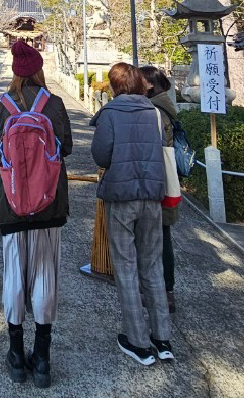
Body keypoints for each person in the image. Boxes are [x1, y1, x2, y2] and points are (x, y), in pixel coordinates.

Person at [0, 39, 72, 388]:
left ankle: (15, 355)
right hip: (49, 204)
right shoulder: (53, 104)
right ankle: (42, 360)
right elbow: (66, 146)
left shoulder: (1, 105)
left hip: (11, 203)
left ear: (14, 72)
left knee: (14, 277)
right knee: (45, 276)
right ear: (38, 68)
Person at [90, 61, 176, 367]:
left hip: (121, 197)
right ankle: (162, 339)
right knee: (152, 265)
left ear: (114, 86)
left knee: (125, 266)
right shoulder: (154, 112)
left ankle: (138, 341)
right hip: (152, 195)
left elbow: (101, 154)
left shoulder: (110, 113)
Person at [139, 64, 180, 313]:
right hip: (164, 177)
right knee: (160, 235)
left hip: (157, 180)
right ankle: (163, 288)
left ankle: (163, 290)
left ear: (150, 85)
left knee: (158, 236)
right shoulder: (163, 106)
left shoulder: (155, 110)